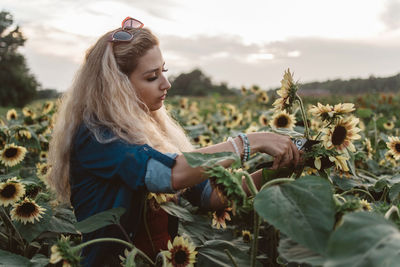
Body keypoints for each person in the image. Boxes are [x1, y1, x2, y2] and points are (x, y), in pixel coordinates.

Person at [47, 17, 301, 266]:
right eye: (151, 77)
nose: (166, 84)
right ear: (117, 86)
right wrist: (249, 142)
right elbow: (172, 174)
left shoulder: (151, 131)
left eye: (164, 71)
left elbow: (210, 195)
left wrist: (273, 173)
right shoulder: (97, 136)